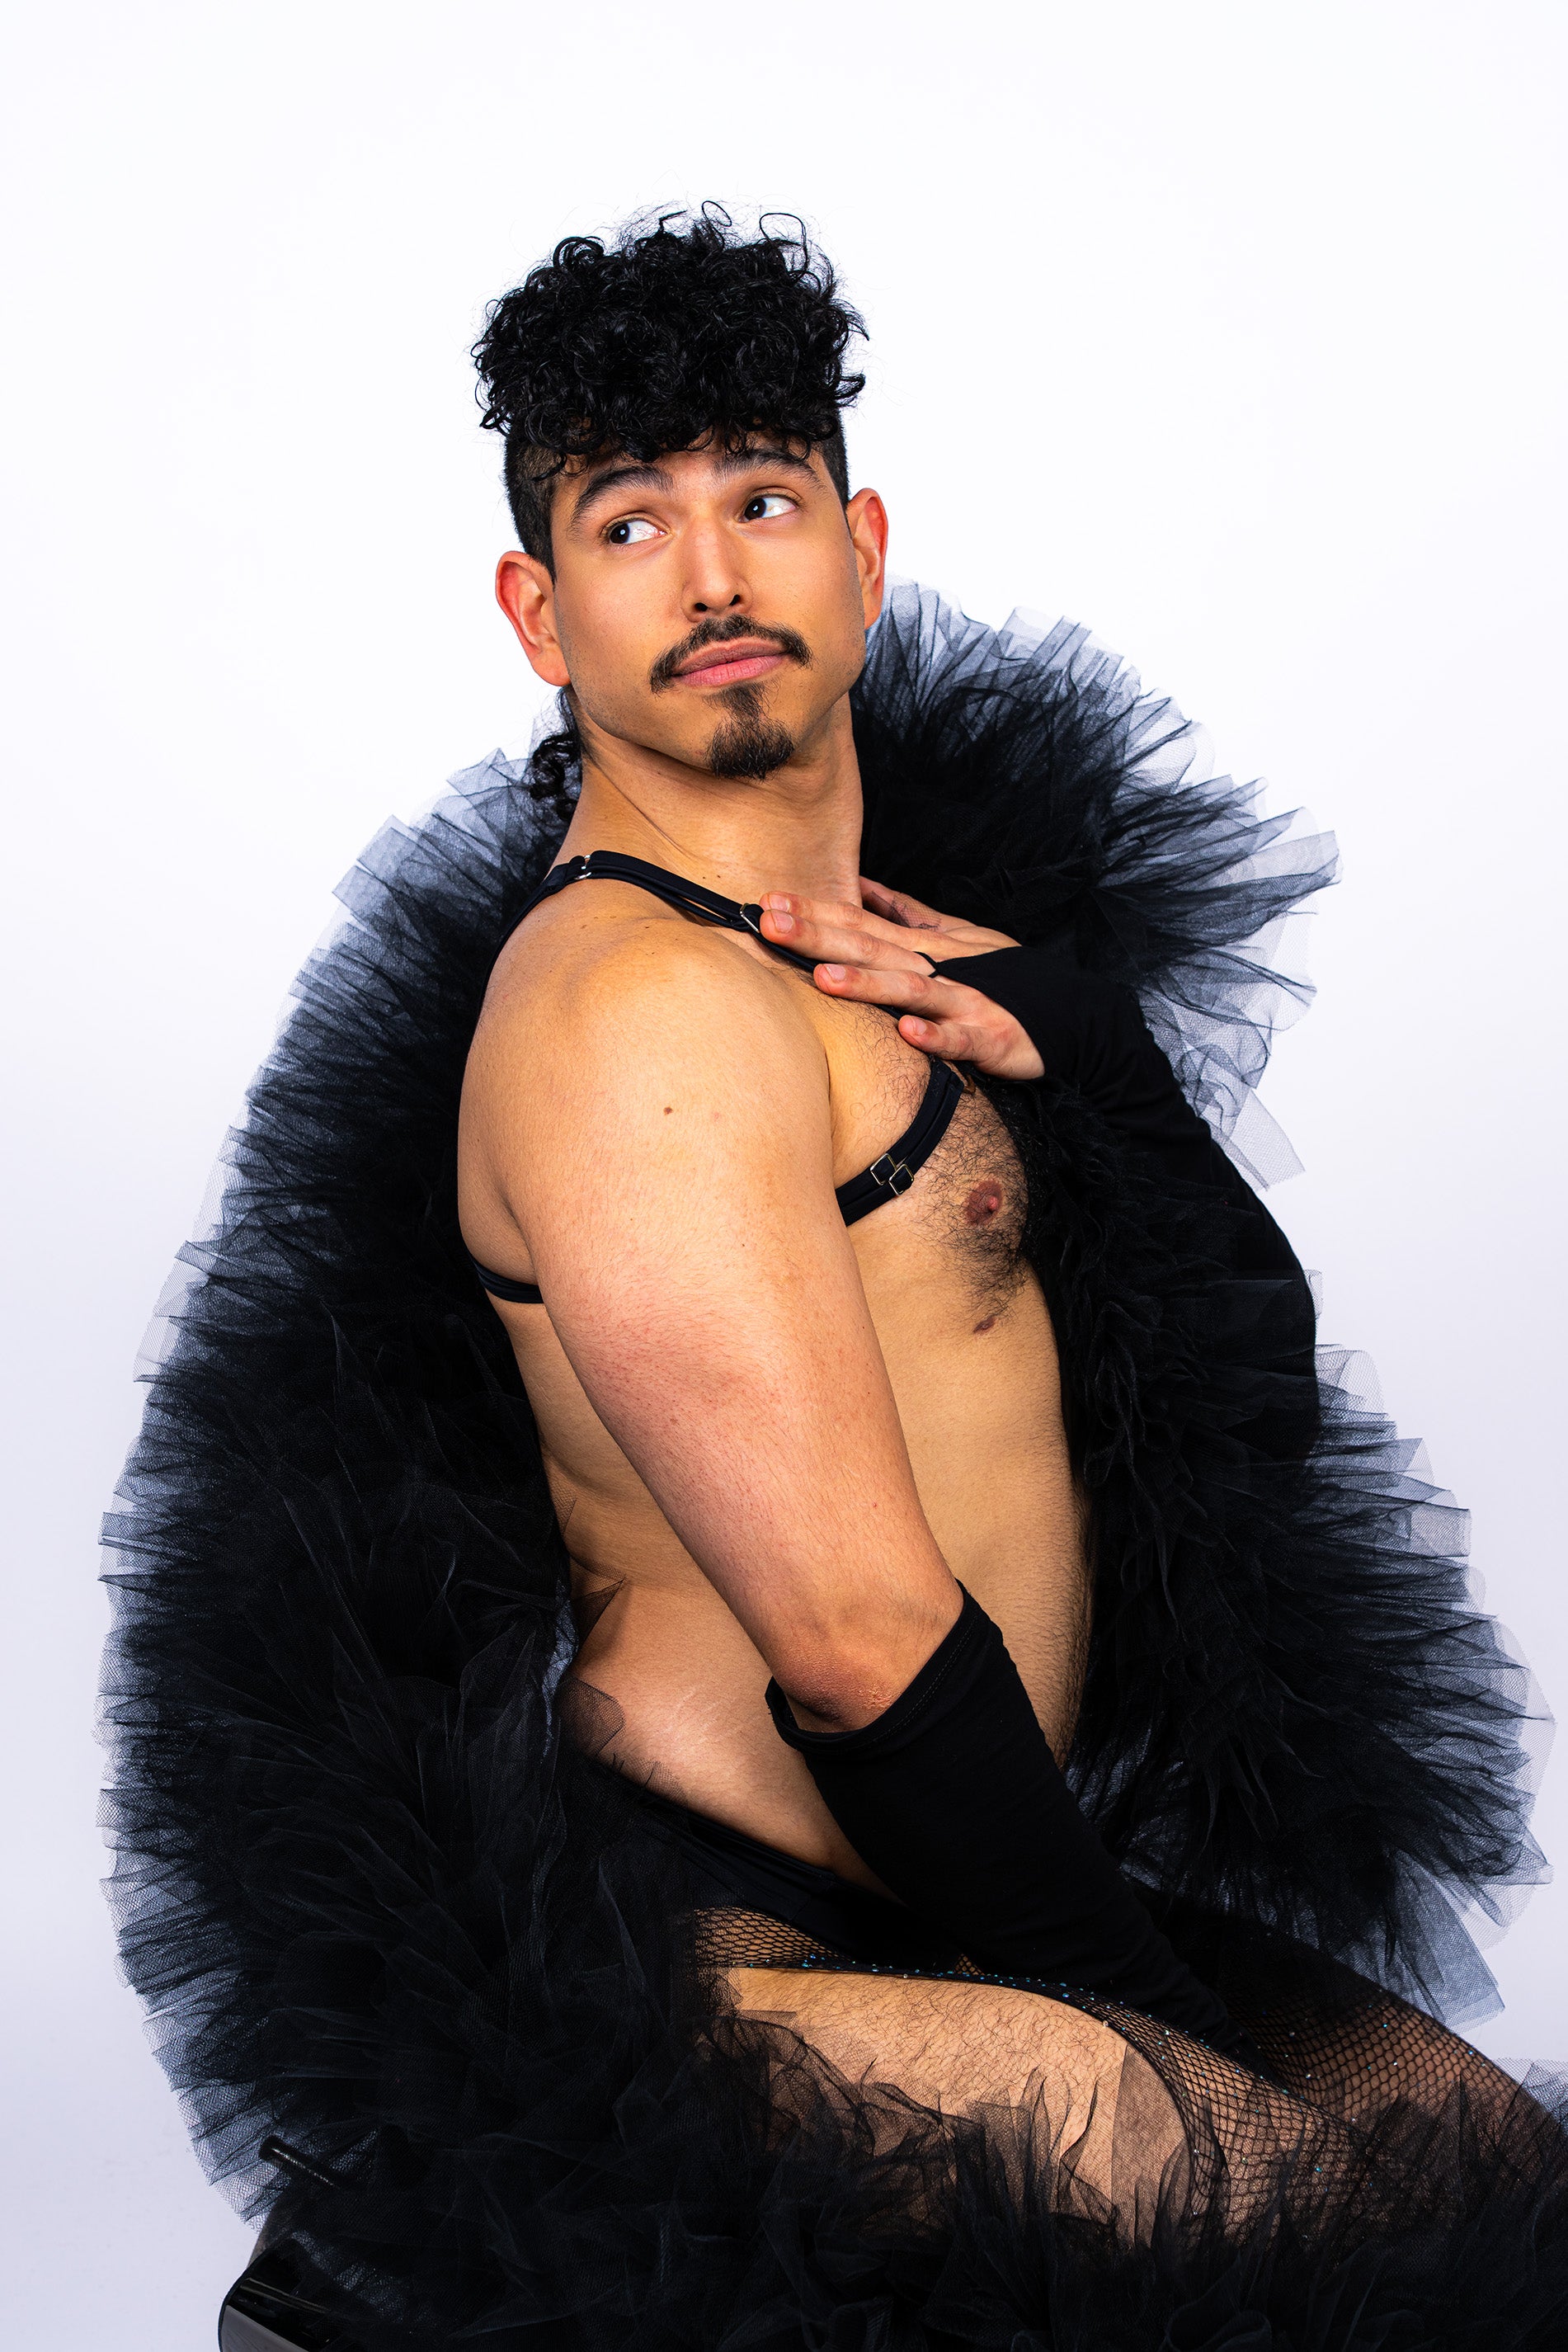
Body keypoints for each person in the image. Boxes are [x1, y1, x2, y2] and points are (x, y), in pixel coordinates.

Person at [105, 212, 1568, 2351]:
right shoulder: (635, 1015)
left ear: (863, 554)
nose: (712, 576)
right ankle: (396, 2283)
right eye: (632, 521)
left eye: (765, 499)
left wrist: (1102, 1058)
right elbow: (858, 1639)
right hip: (714, 1948)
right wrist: (1159, 2036)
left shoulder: (897, 958)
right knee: (1314, 2237)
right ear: (540, 612)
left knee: (1500, 2183)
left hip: (961, 1871)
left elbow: (1240, 1396)